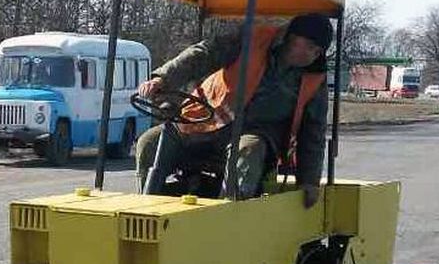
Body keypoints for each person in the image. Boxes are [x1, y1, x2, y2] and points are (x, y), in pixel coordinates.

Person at [134, 13, 334, 207]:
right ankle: (150, 208)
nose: (313, 55)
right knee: (148, 143)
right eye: (309, 46)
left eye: (318, 51)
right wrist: (163, 78)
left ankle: (228, 217)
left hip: (256, 135)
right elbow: (204, 54)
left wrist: (309, 181)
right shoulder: (252, 40)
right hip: (206, 122)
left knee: (248, 150)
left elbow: (313, 133)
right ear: (289, 36)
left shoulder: (314, 80)